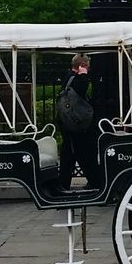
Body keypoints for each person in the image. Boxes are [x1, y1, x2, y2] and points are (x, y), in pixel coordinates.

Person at [58, 54, 102, 192]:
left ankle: (91, 180)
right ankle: (94, 181)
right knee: (80, 154)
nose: (89, 68)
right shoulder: (75, 79)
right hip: (76, 125)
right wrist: (83, 75)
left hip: (69, 124)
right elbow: (81, 90)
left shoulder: (67, 78)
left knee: (73, 154)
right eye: (87, 65)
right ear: (82, 65)